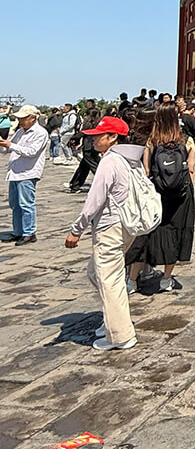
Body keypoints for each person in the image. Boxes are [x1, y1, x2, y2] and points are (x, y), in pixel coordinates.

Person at [64, 115, 145, 351]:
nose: (94, 140)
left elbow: (94, 200)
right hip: (125, 225)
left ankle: (120, 336)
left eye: (99, 135)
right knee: (95, 273)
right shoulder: (130, 159)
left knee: (109, 279)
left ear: (112, 137)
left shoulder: (110, 162)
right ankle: (113, 318)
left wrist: (76, 229)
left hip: (110, 226)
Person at [126, 103, 195, 293]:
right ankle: (166, 280)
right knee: (175, 234)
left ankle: (132, 281)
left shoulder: (152, 141)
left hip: (156, 194)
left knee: (145, 234)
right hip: (181, 197)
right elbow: (191, 170)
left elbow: (146, 171)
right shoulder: (187, 141)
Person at [1, 104, 49, 244]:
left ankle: (29, 232)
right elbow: (8, 149)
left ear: (33, 118)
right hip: (15, 172)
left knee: (26, 204)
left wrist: (9, 145)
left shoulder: (40, 133)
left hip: (28, 173)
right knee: (15, 204)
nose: (20, 121)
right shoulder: (20, 132)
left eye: (23, 119)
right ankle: (18, 231)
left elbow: (31, 152)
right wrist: (3, 144)